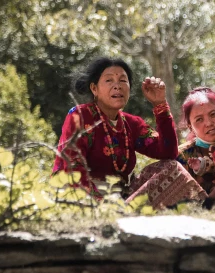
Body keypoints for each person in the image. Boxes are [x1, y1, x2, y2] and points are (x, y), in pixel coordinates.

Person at [52, 57, 206, 208]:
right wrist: (100, 205)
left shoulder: (131, 124)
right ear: (94, 89)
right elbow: (72, 168)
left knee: (171, 167)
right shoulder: (80, 116)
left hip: (120, 199)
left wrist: (160, 105)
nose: (117, 86)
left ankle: (208, 208)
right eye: (109, 80)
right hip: (80, 197)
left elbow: (168, 152)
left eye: (123, 80)